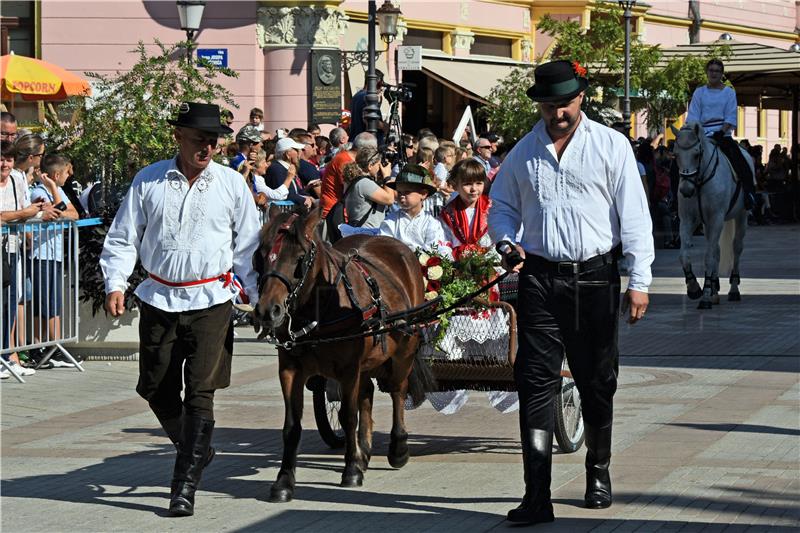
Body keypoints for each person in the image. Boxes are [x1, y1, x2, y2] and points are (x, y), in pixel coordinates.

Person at [488, 60, 654, 525]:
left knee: (597, 381)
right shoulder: (523, 152)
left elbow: (635, 217)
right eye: (547, 104)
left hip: (595, 278)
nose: (556, 112)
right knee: (534, 382)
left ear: (580, 97)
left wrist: (639, 281)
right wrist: (504, 239)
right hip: (539, 278)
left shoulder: (610, 145)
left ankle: (597, 470)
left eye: (563, 103)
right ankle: (536, 494)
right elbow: (500, 206)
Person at [99, 102, 260, 517]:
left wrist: (254, 292)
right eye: (198, 140)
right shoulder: (149, 180)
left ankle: (183, 486)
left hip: (212, 300)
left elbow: (248, 243)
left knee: (200, 394)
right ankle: (197, 447)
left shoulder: (229, 183)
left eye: (213, 141)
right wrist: (116, 283)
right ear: (178, 138)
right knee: (154, 386)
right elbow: (123, 236)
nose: (207, 147)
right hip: (159, 298)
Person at [29, 154, 80, 367]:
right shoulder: (40, 192)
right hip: (41, 254)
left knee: (54, 301)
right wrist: (51, 187)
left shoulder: (57, 192)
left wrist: (56, 194)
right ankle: (44, 347)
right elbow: (58, 211)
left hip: (55, 253)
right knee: (45, 303)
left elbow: (73, 214)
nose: (68, 178)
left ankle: (53, 345)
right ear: (57, 174)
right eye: (67, 173)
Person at [686, 58, 756, 209]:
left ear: (722, 74)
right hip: (701, 135)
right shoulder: (699, 92)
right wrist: (696, 132)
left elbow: (731, 116)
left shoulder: (729, 93)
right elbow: (692, 116)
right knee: (681, 160)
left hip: (722, 135)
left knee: (740, 161)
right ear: (707, 72)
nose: (714, 74)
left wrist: (721, 131)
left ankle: (749, 194)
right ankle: (677, 199)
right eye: (711, 70)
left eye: (717, 71)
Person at [379, 163, 447, 253]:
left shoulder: (431, 222)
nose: (402, 196)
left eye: (407, 192)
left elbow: (432, 249)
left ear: (423, 194)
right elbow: (383, 244)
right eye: (399, 192)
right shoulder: (391, 220)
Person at [439, 158, 492, 257]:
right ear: (455, 186)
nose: (474, 189)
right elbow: (444, 241)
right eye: (467, 184)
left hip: (490, 264)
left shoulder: (491, 208)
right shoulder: (448, 213)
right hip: (458, 264)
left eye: (479, 183)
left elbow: (497, 238)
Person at [320, 132, 377, 217]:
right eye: (374, 151)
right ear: (366, 149)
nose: (374, 154)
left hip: (340, 211)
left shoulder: (348, 158)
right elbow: (357, 189)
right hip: (334, 214)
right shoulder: (345, 161)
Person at [342, 146, 395, 229]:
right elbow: (390, 199)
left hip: (359, 231)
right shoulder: (364, 183)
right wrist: (387, 176)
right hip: (367, 233)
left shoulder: (355, 180)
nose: (380, 168)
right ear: (370, 166)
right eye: (378, 165)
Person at [264, 137, 314, 209]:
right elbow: (284, 193)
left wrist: (309, 197)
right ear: (288, 154)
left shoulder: (287, 168)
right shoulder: (277, 169)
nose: (299, 153)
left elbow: (297, 190)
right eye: (296, 150)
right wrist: (303, 199)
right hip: (281, 215)